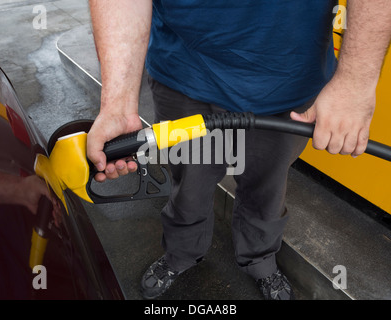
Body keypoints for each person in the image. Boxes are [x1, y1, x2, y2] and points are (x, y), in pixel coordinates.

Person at [87, 0, 391, 300]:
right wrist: (117, 103)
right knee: (190, 187)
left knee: (266, 191)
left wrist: (355, 81)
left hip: (287, 86)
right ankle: (181, 253)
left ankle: (259, 260)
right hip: (186, 77)